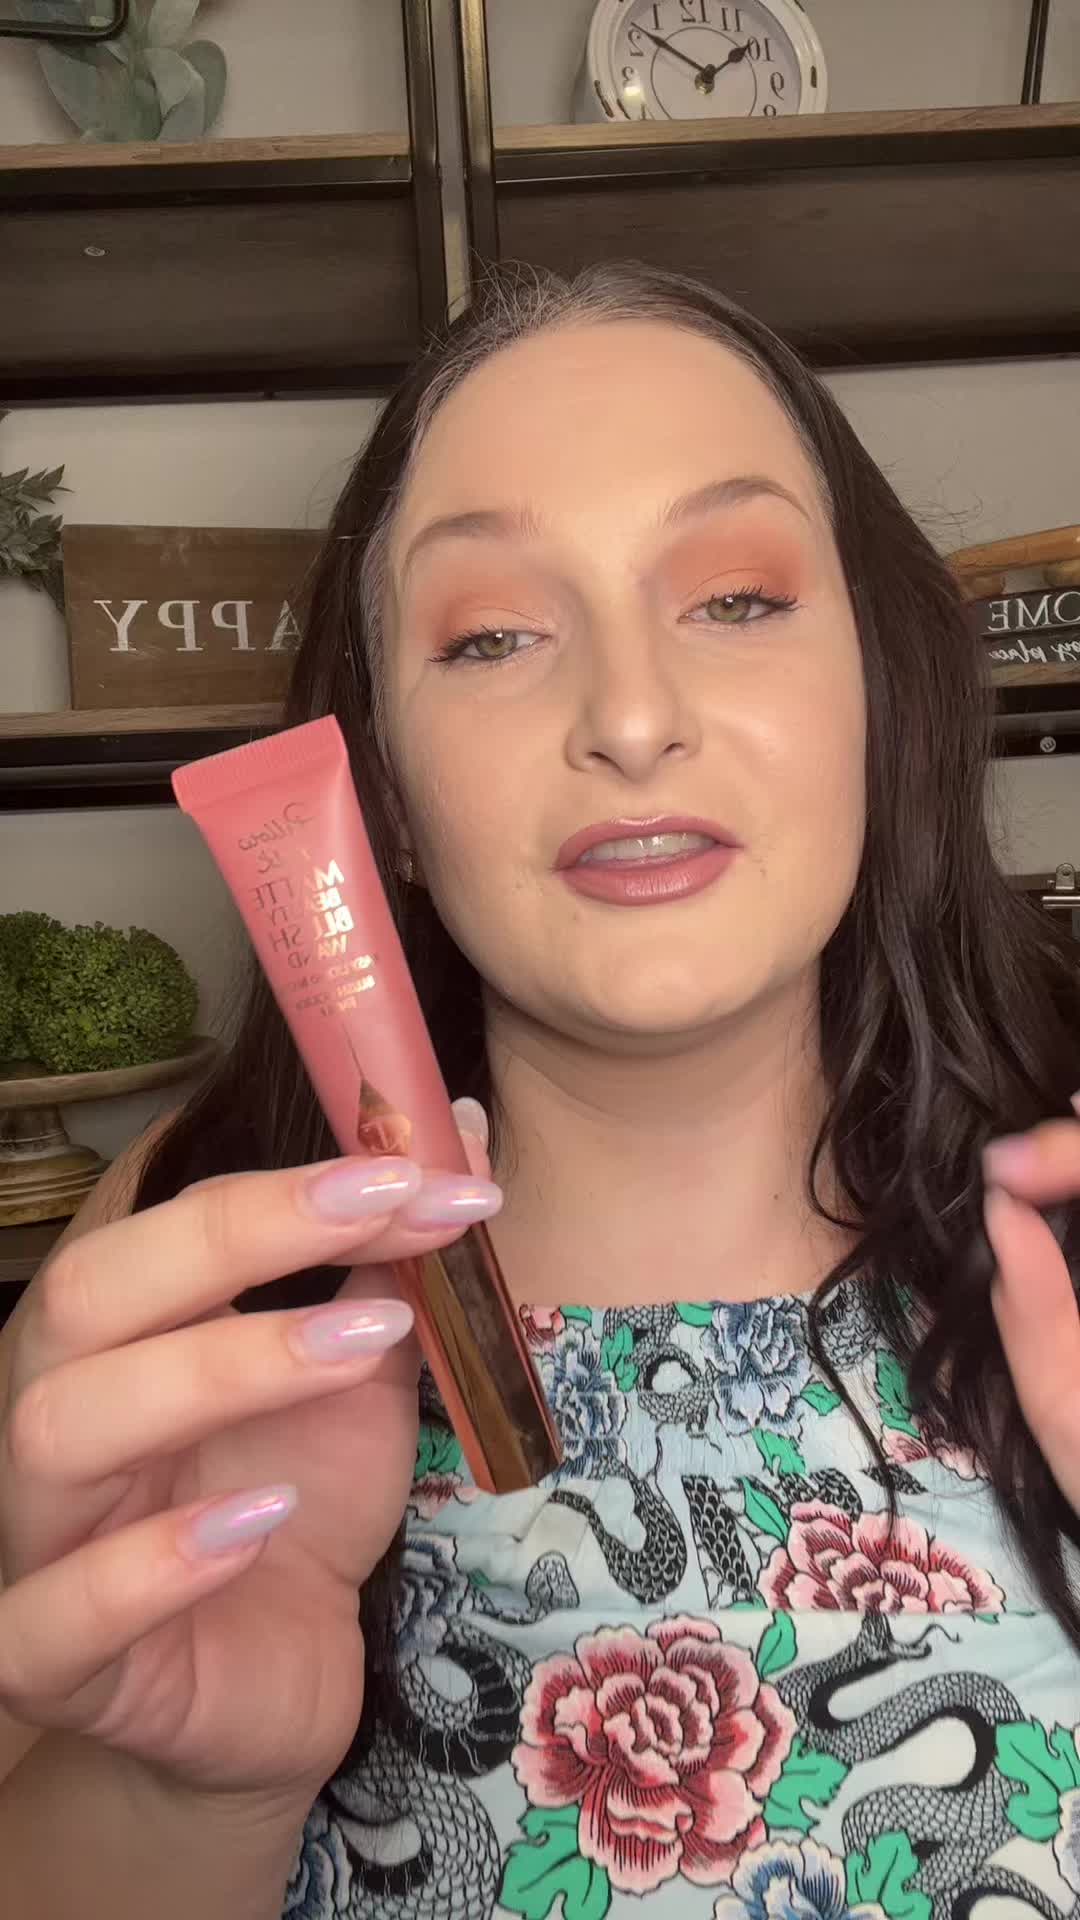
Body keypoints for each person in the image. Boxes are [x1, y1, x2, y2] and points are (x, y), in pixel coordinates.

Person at [2, 260, 1080, 1920]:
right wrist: (184, 1795)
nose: (631, 719)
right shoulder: (198, 1259)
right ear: (390, 792)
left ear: (881, 691)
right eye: (492, 635)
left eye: (737, 599)